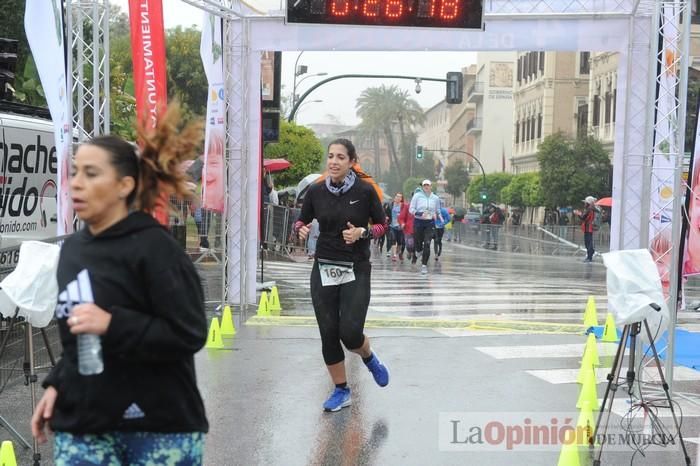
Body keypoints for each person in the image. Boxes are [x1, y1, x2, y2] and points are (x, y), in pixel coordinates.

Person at [30, 105, 209, 464]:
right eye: (75, 172)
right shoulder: (73, 251)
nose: (76, 183)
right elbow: (80, 337)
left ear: (124, 185)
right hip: (84, 424)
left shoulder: (157, 249)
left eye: (91, 174)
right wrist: (57, 383)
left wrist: (113, 323)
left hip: (157, 427)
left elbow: (189, 332)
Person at [295, 138, 389, 412]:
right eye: (331, 156)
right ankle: (341, 390)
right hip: (324, 266)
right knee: (328, 333)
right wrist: (300, 228)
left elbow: (384, 225)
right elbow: (301, 220)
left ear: (351, 162)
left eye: (340, 157)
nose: (334, 162)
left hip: (356, 268)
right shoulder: (315, 192)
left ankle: (369, 356)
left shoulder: (365, 191)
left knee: (349, 333)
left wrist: (363, 232)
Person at [409, 179, 442, 274]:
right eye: (424, 185)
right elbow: (411, 209)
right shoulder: (417, 196)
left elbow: (438, 209)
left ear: (431, 186)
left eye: (428, 185)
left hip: (429, 223)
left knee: (427, 243)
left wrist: (438, 216)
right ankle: (418, 251)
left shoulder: (435, 198)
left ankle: (424, 266)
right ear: (422, 187)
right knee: (418, 242)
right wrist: (419, 213)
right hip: (418, 222)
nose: (426, 187)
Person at [575, 195, 596, 263]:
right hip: (588, 228)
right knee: (588, 242)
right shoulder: (591, 209)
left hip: (588, 228)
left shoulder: (589, 209)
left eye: (585, 202)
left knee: (588, 243)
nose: (584, 204)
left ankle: (589, 256)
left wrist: (578, 214)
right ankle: (590, 253)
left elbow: (583, 217)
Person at [389, 192, 407, 262]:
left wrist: (404, 223)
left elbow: (406, 215)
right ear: (395, 197)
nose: (398, 198)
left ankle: (397, 253)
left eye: (400, 197)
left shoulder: (403, 206)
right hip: (392, 226)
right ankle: (394, 255)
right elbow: (386, 212)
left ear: (401, 199)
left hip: (400, 227)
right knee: (393, 239)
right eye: (397, 196)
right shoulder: (391, 204)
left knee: (400, 243)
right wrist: (386, 217)